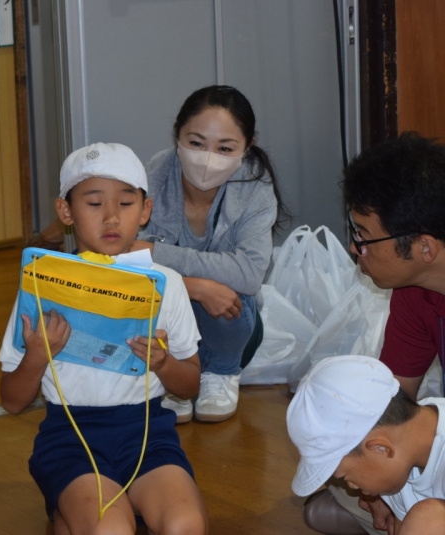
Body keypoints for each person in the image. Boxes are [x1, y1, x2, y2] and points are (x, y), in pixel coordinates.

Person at [0, 142, 208, 534]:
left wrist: (162, 363)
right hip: (70, 437)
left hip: (147, 433)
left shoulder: (167, 286)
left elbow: (191, 385)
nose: (111, 217)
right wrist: (37, 356)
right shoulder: (42, 286)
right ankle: (81, 510)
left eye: (127, 204)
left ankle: (88, 513)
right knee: (110, 530)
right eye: (94, 204)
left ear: (145, 210)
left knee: (187, 525)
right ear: (65, 211)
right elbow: (11, 402)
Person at [302, 133, 445, 535]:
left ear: (424, 247)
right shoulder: (413, 293)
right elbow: (388, 403)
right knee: (349, 471)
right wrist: (385, 492)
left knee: (424, 514)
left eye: (364, 236)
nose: (354, 247)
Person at [131, 85, 289, 423]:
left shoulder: (256, 190)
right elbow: (127, 261)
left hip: (231, 324)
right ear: (177, 136)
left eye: (225, 147)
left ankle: (221, 372)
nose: (207, 158)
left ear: (247, 147)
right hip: (163, 331)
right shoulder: (152, 178)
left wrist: (158, 253)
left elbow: (248, 274)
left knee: (232, 294)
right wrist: (197, 286)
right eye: (196, 143)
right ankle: (171, 377)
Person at [287, 355, 445, 535]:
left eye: (347, 477)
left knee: (427, 519)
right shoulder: (402, 455)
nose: (352, 486)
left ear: (381, 448)